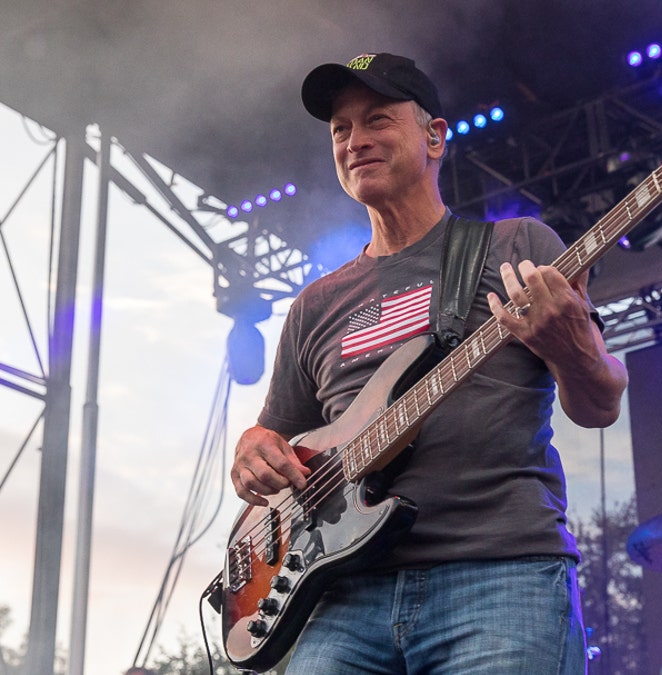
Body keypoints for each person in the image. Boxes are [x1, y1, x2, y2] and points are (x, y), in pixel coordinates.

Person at [229, 52, 627, 674]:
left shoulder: (518, 246)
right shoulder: (315, 304)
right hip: (339, 597)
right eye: (340, 130)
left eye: (378, 120)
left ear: (435, 136)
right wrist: (254, 451)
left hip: (498, 576)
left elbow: (600, 403)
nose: (355, 141)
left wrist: (570, 343)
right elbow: (275, 438)